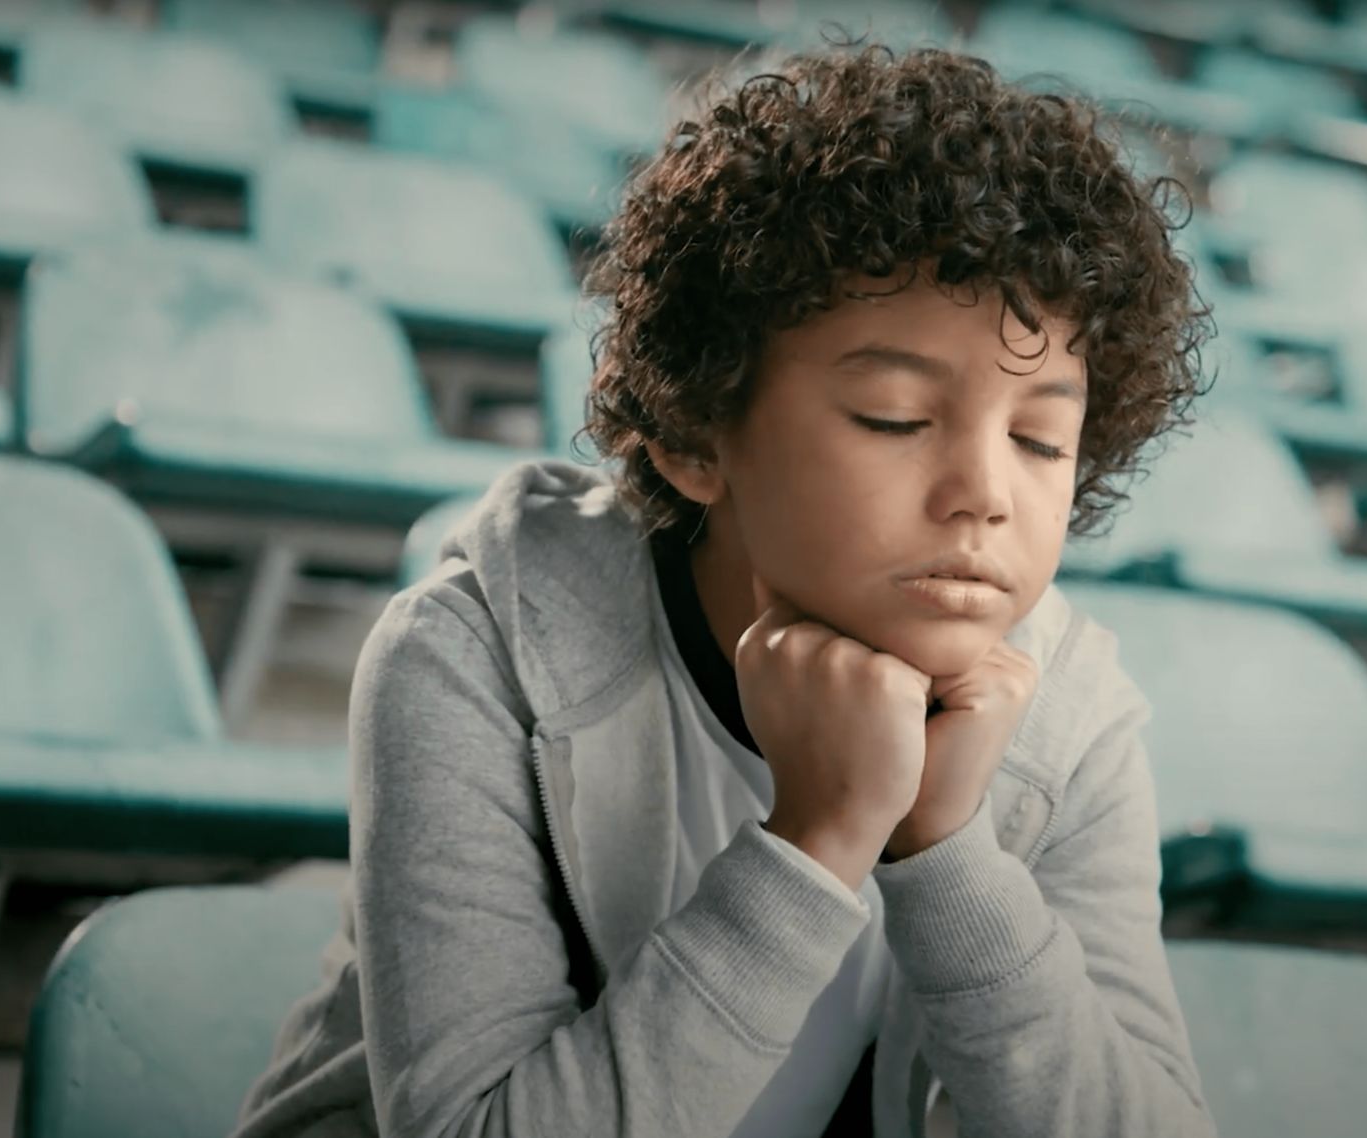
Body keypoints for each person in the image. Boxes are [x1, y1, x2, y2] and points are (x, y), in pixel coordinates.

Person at [233, 38, 1216, 1138]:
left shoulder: (1071, 718)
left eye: (1040, 438)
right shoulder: (475, 656)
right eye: (894, 418)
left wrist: (946, 858)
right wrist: (819, 839)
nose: (984, 495)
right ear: (696, 434)